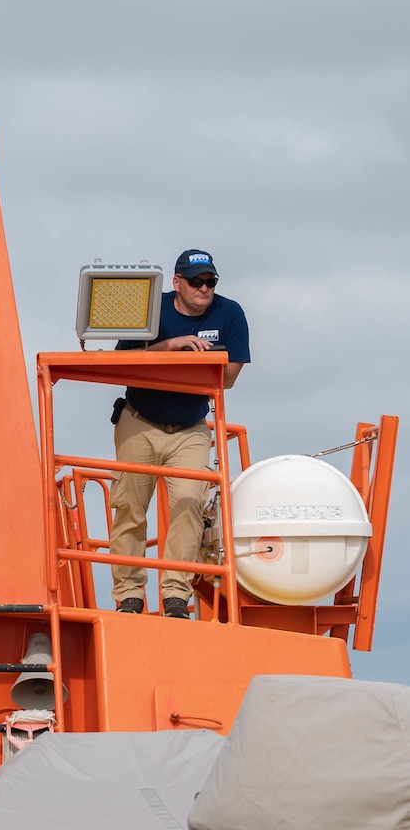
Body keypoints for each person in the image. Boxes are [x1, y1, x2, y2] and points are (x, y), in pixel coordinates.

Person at [108, 249, 250, 618]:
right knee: (128, 507)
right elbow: (120, 365)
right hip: (140, 420)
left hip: (190, 427)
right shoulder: (151, 309)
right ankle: (129, 595)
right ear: (176, 283)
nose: (204, 288)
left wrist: (193, 360)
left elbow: (229, 378)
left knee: (189, 504)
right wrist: (169, 348)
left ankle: (175, 595)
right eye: (196, 281)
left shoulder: (230, 313)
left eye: (210, 282)